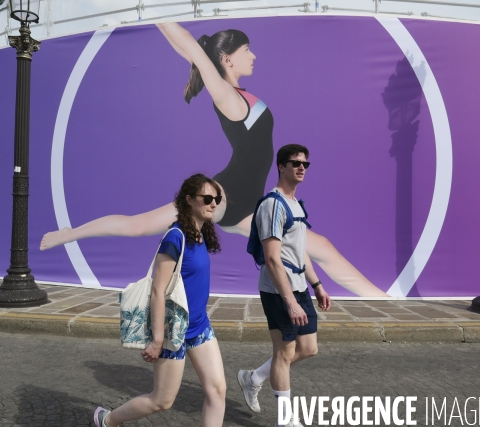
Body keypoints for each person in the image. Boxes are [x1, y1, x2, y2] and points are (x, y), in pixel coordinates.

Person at [40, 21, 386, 298]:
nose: (254, 55)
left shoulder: (241, 94)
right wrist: (150, 15)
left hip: (249, 207)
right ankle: (68, 234)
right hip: (223, 196)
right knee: (139, 226)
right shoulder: (227, 96)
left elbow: (190, 52)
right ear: (227, 59)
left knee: (319, 245)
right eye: (247, 50)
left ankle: (379, 299)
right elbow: (190, 45)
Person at [94, 174, 226, 427]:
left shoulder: (200, 235)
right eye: (207, 198)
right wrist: (156, 341)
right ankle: (108, 420)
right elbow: (158, 290)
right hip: (172, 331)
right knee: (162, 401)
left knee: (217, 391)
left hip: (199, 326)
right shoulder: (176, 237)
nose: (213, 203)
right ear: (189, 200)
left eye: (216, 199)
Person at [238, 144, 330, 427]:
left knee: (308, 347)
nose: (301, 168)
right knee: (283, 353)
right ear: (281, 166)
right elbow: (272, 258)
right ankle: (286, 420)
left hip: (299, 286)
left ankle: (253, 378)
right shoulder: (273, 204)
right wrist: (289, 300)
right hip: (278, 291)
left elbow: (300, 251)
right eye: (294, 163)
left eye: (305, 164)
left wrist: (317, 284)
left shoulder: (296, 205)